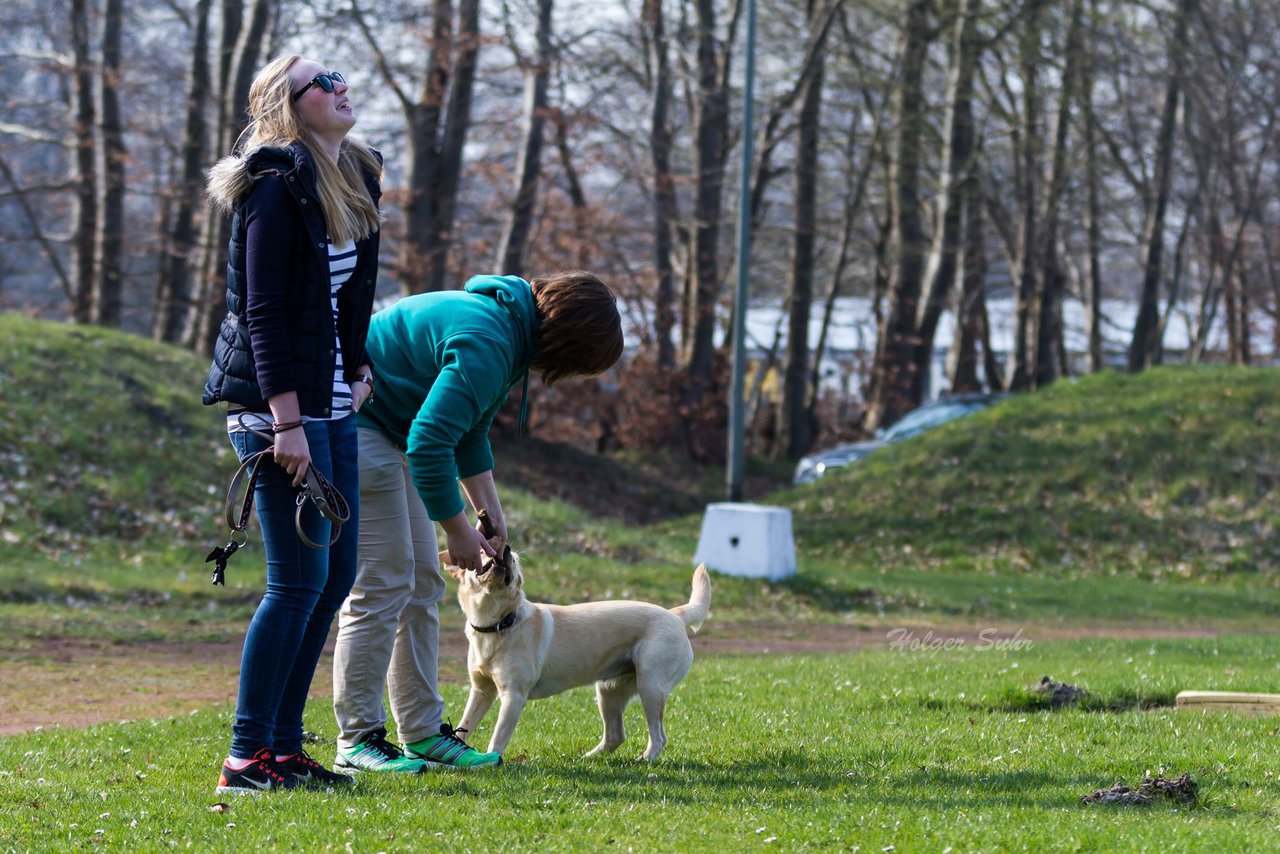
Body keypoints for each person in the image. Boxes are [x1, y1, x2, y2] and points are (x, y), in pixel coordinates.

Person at [331, 270, 625, 772]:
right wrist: (457, 529)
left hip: (390, 431)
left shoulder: (507, 331)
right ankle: (357, 739)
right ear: (567, 343)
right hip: (360, 422)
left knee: (423, 582)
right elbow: (429, 442)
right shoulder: (490, 339)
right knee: (383, 582)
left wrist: (490, 514)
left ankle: (422, 733)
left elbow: (469, 434)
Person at [202, 54, 383, 794]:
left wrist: (360, 366)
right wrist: (286, 424)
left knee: (334, 577)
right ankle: (246, 757)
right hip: (279, 415)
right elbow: (264, 312)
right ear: (289, 104)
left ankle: (283, 748)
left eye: (341, 77)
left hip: (333, 406)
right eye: (324, 83)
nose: (342, 89)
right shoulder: (273, 187)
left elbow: (350, 295)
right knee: (295, 584)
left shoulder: (358, 175)